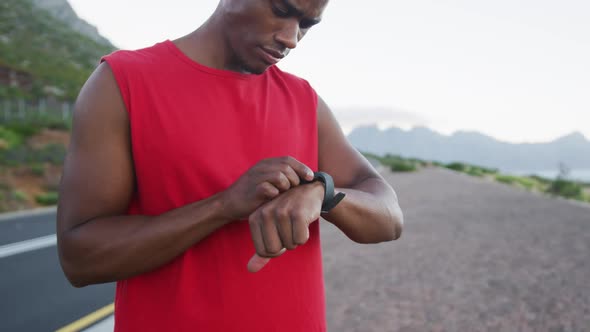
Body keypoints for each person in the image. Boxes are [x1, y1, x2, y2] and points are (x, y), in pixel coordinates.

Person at [56, 0, 404, 331]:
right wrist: (222, 206)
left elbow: (389, 218)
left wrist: (322, 193)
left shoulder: (304, 101)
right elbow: (80, 259)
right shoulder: (123, 82)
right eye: (281, 10)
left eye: (306, 25)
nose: (291, 38)